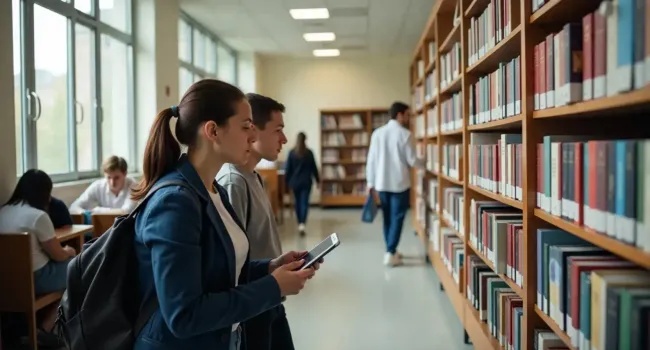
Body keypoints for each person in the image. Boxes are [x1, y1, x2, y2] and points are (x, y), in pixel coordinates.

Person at [131, 79, 318, 350]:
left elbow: (218, 272)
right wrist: (272, 287)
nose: (252, 137)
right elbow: (183, 315)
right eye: (245, 127)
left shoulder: (212, 189)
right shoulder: (175, 203)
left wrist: (269, 268)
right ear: (213, 131)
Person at [217, 93, 295, 350]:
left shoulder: (256, 177)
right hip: (253, 306)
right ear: (253, 130)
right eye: (278, 130)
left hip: (271, 297)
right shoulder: (233, 183)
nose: (284, 139)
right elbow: (231, 261)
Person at [0, 169, 76, 346]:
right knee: (78, 268)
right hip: (36, 278)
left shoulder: (2, 212)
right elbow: (57, 255)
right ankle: (45, 328)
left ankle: (38, 330)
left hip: (6, 280)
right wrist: (69, 251)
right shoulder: (38, 216)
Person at [366, 102, 425, 267]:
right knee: (397, 219)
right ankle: (390, 252)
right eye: (407, 114)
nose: (408, 118)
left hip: (381, 183)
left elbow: (371, 160)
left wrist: (370, 182)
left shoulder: (377, 134)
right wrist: (427, 163)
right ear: (399, 115)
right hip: (400, 184)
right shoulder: (406, 135)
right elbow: (413, 160)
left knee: (387, 218)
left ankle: (390, 250)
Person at [70, 156, 137, 213]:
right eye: (109, 177)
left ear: (125, 174)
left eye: (116, 178)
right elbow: (73, 207)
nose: (112, 182)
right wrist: (85, 213)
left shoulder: (133, 186)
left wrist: (97, 210)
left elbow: (126, 211)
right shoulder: (98, 186)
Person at [284, 132, 320, 236]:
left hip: (294, 183)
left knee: (297, 203)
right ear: (305, 140)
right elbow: (314, 168)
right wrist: (318, 181)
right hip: (306, 182)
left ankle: (299, 222)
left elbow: (288, 169)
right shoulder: (309, 153)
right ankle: (302, 224)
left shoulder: (292, 153)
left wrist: (286, 183)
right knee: (304, 203)